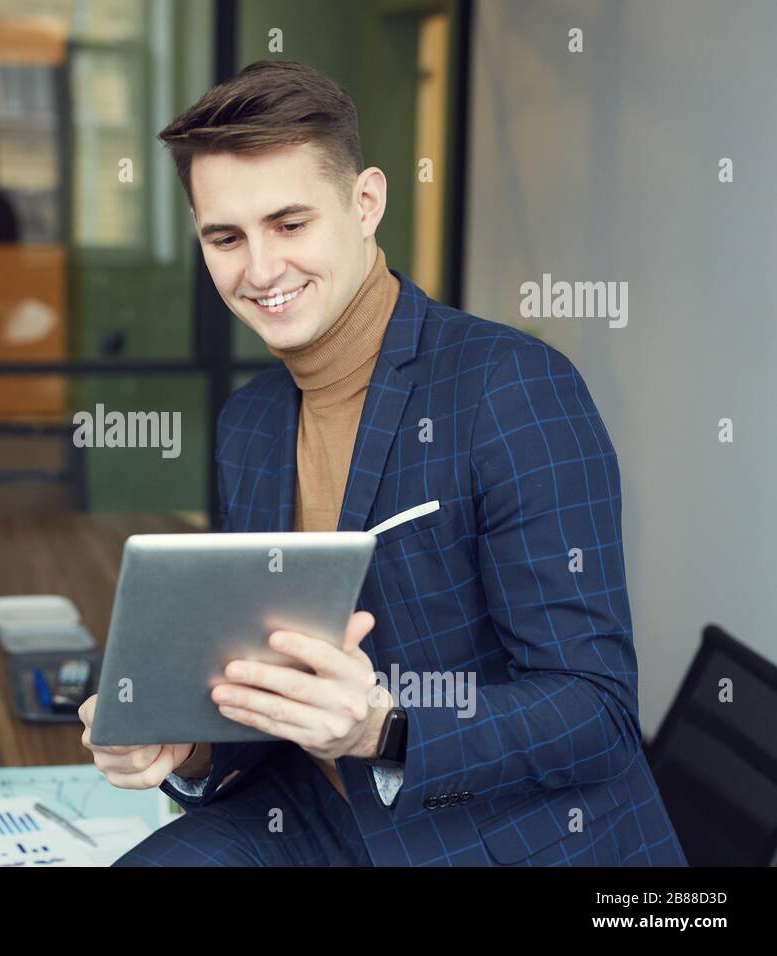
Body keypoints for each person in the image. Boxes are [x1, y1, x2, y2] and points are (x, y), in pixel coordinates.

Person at [79, 60, 687, 866]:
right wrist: (179, 752)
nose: (259, 271)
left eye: (290, 225)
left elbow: (598, 714)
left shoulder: (515, 389)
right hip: (318, 816)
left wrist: (384, 727)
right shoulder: (250, 424)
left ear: (365, 203)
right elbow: (265, 699)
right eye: (226, 237)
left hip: (502, 837)